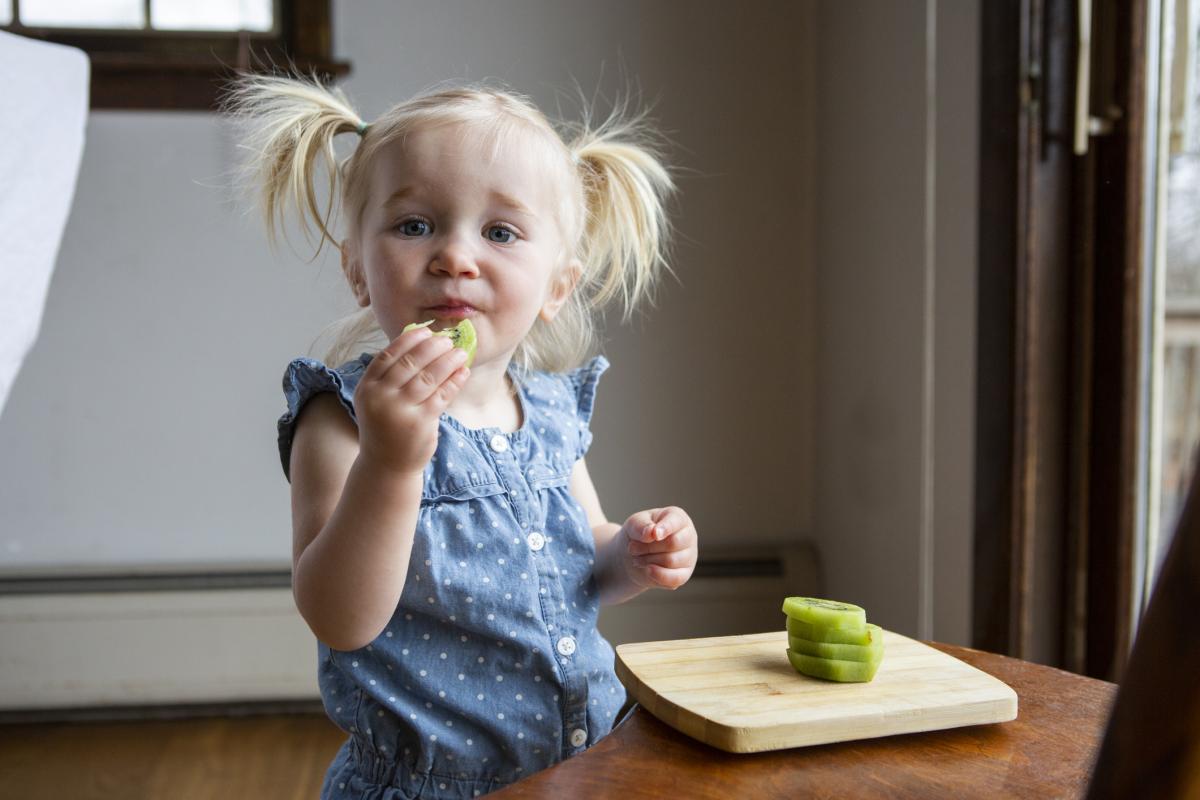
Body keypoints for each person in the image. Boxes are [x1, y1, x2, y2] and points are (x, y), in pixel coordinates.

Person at [226, 73, 699, 799]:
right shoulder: (344, 417)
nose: (455, 256)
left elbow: (583, 564)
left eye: (500, 232)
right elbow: (338, 617)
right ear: (358, 267)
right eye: (415, 225)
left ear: (556, 289)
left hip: (583, 767)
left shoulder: (549, 412)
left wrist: (632, 553)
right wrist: (391, 462)